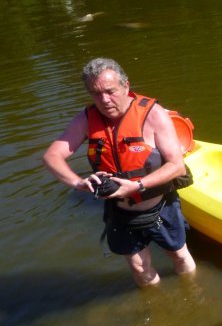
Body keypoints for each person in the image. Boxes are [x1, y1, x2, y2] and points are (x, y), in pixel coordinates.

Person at [43, 57, 196, 287]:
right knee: (138, 266)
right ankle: (156, 307)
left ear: (126, 85)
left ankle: (192, 292)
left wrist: (138, 185)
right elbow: (51, 156)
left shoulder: (153, 115)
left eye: (110, 91)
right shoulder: (87, 119)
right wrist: (79, 183)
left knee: (179, 255)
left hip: (160, 206)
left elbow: (177, 166)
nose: (104, 100)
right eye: (96, 93)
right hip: (120, 212)